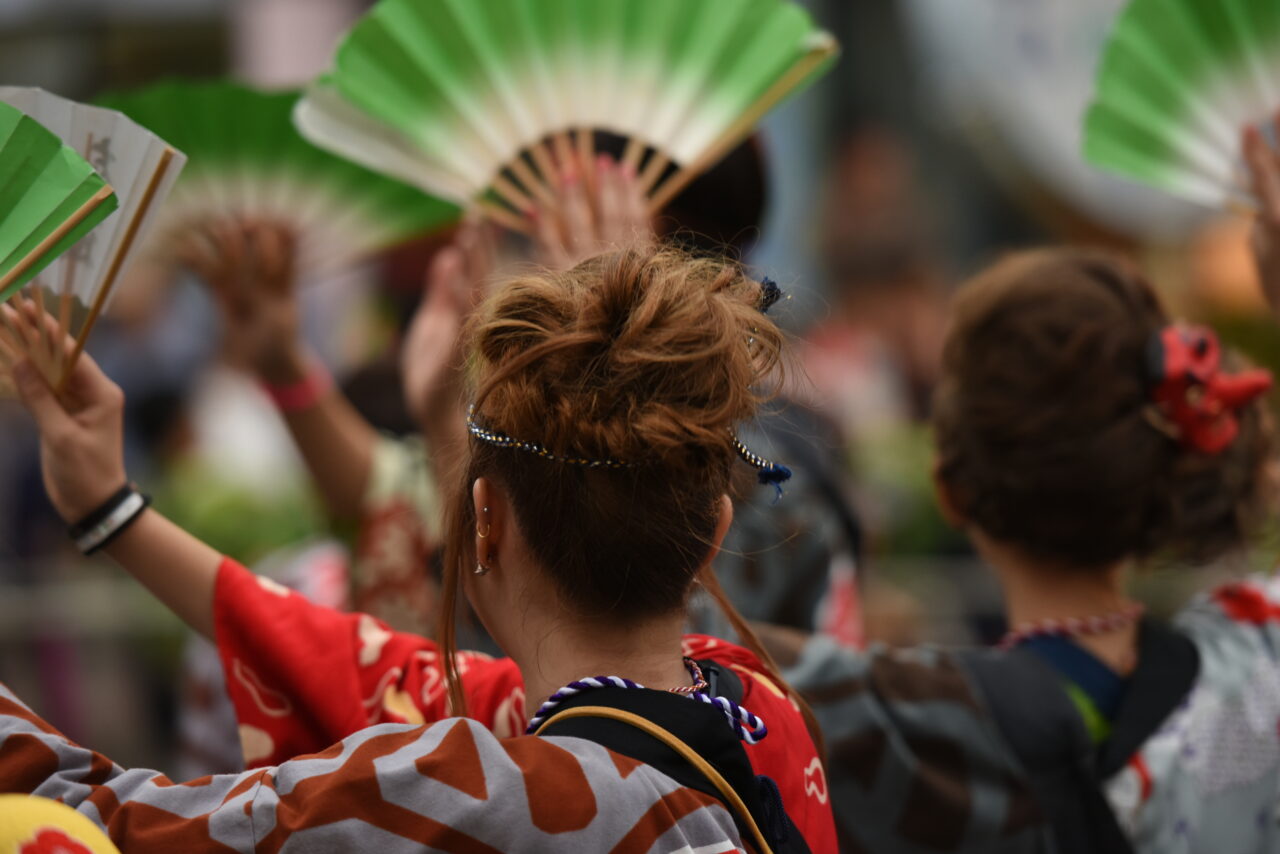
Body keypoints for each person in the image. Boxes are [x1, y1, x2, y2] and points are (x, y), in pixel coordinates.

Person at [0, 245, 836, 851]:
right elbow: (351, 659)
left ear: (484, 522)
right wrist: (111, 508)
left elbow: (108, 823)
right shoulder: (764, 713)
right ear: (715, 534)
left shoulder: (460, 798)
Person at [748, 126, 1280, 854]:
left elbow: (651, 644)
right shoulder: (1258, 675)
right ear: (1163, 467)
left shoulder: (875, 724)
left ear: (951, 490)